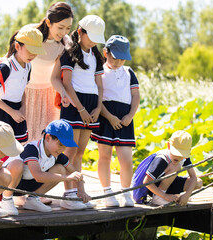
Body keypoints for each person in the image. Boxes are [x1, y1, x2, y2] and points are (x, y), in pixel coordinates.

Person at [58, 15, 106, 209]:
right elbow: (67, 83)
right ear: (79, 32)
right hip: (75, 105)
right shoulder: (69, 53)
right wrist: (82, 109)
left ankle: (80, 192)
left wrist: (97, 108)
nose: (93, 41)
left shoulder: (96, 56)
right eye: (90, 36)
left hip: (91, 105)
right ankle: (68, 194)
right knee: (69, 152)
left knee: (80, 152)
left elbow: (100, 86)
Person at [90, 35, 140, 207]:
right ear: (105, 52)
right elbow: (98, 97)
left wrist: (130, 116)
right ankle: (107, 192)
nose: (118, 61)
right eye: (115, 57)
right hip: (106, 118)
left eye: (122, 59)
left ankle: (126, 193)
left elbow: (135, 96)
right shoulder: (99, 71)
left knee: (126, 159)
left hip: (125, 119)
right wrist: (109, 117)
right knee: (105, 156)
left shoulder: (129, 73)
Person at [0, 120, 89, 214]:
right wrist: (66, 178)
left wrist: (81, 191)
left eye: (65, 146)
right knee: (17, 164)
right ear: (47, 138)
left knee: (60, 169)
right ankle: (6, 200)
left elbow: (75, 172)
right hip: (6, 184)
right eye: (60, 144)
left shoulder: (57, 155)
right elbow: (38, 176)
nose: (62, 149)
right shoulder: (32, 149)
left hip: (27, 186)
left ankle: (33, 199)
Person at [0, 25, 46, 143]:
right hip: (1, 110)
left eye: (36, 52)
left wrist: (23, 107)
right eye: (30, 51)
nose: (33, 55)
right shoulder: (6, 67)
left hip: (17, 109)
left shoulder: (28, 66)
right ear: (17, 46)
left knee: (15, 149)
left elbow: (23, 89)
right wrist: (12, 112)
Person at [24, 2, 74, 142]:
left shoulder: (64, 44)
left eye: (68, 28)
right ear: (48, 22)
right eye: (60, 27)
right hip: (25, 92)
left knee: (44, 140)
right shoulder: (30, 33)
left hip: (48, 95)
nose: (64, 32)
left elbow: (55, 77)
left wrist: (64, 93)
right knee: (23, 137)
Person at [132, 130, 203, 206]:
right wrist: (164, 196)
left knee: (199, 183)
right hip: (154, 188)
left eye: (182, 154)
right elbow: (146, 182)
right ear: (169, 146)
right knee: (175, 166)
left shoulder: (184, 158)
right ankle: (158, 199)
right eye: (176, 153)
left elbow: (193, 177)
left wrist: (186, 195)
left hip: (169, 184)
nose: (178, 157)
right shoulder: (162, 159)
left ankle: (174, 196)